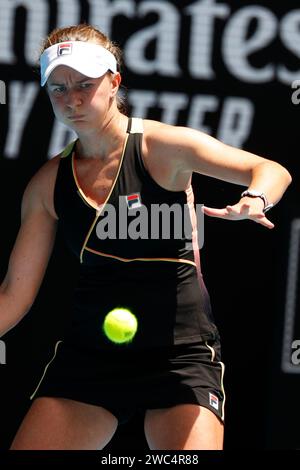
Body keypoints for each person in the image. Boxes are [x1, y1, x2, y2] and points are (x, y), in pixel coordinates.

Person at [0, 23, 291, 450]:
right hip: (90, 357)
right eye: (58, 88)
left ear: (114, 81)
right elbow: (12, 295)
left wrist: (257, 198)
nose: (72, 99)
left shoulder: (162, 147)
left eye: (85, 84)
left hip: (180, 355)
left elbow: (271, 170)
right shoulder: (46, 185)